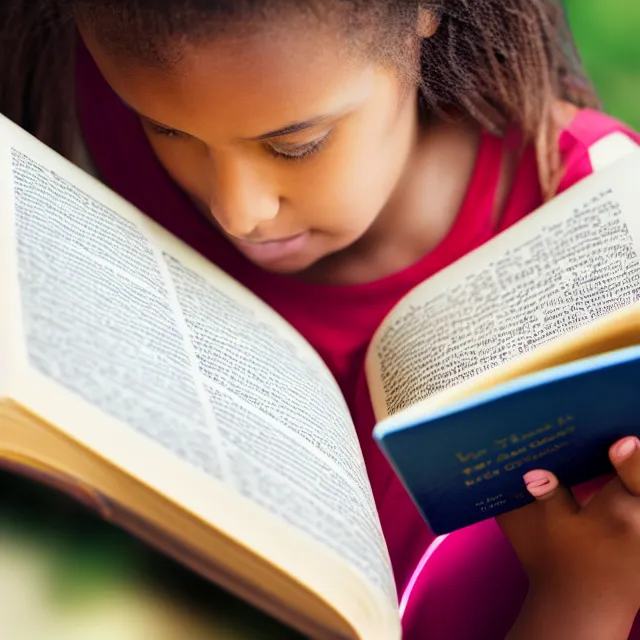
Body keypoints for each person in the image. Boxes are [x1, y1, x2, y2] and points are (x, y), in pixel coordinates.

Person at [2, 0, 640, 636]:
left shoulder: (601, 224)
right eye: (166, 131)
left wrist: (584, 599)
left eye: (295, 146)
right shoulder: (98, 107)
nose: (239, 211)